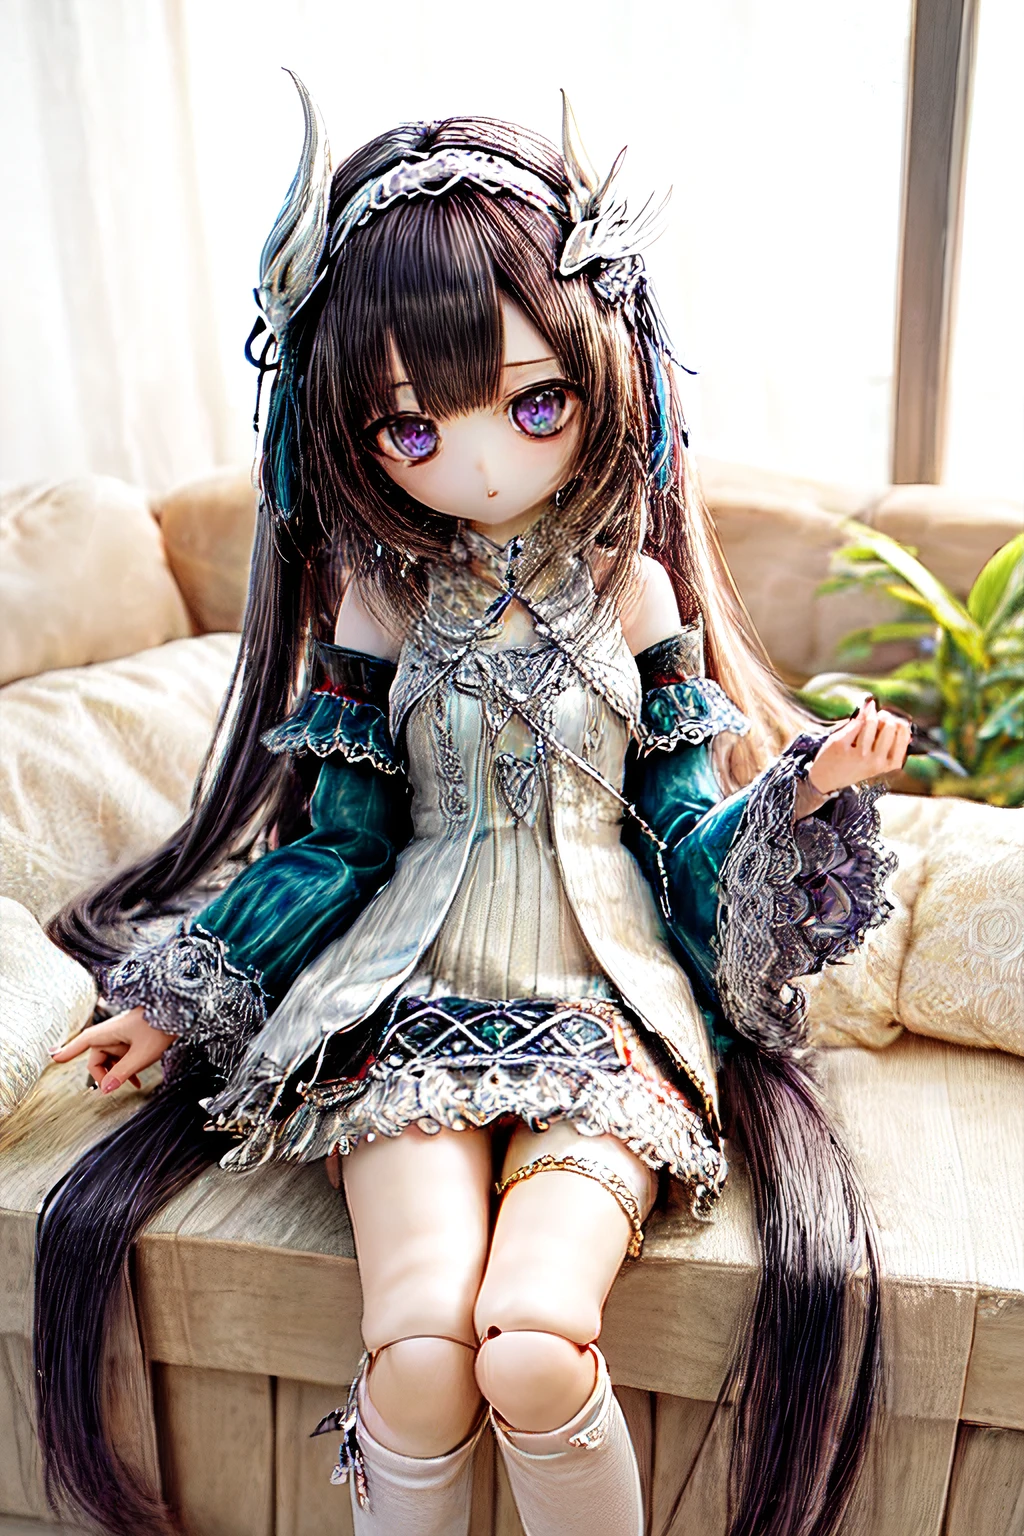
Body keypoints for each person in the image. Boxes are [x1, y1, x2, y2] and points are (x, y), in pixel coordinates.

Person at [35, 80, 910, 1536]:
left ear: (607, 377)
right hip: (410, 992)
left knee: (535, 1342)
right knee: (426, 1350)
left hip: (604, 1005)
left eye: (532, 401)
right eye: (412, 429)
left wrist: (799, 795)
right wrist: (181, 1000)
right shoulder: (380, 604)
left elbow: (684, 840)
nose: (484, 458)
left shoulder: (633, 594)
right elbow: (339, 843)